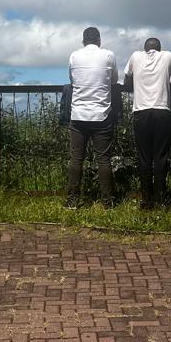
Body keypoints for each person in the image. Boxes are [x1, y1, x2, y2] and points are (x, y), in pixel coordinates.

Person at [123, 37, 171, 209]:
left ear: (145, 49)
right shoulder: (167, 56)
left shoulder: (135, 57)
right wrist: (168, 83)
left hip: (141, 112)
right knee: (160, 157)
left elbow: (127, 82)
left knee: (144, 157)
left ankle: (146, 199)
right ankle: (160, 198)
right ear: (159, 48)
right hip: (162, 112)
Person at [66, 26, 119, 207]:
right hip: (101, 115)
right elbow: (113, 80)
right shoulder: (108, 56)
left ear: (83, 41)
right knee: (103, 159)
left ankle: (72, 201)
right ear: (99, 41)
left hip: (78, 114)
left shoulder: (74, 56)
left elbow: (73, 80)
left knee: (76, 159)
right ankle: (108, 202)